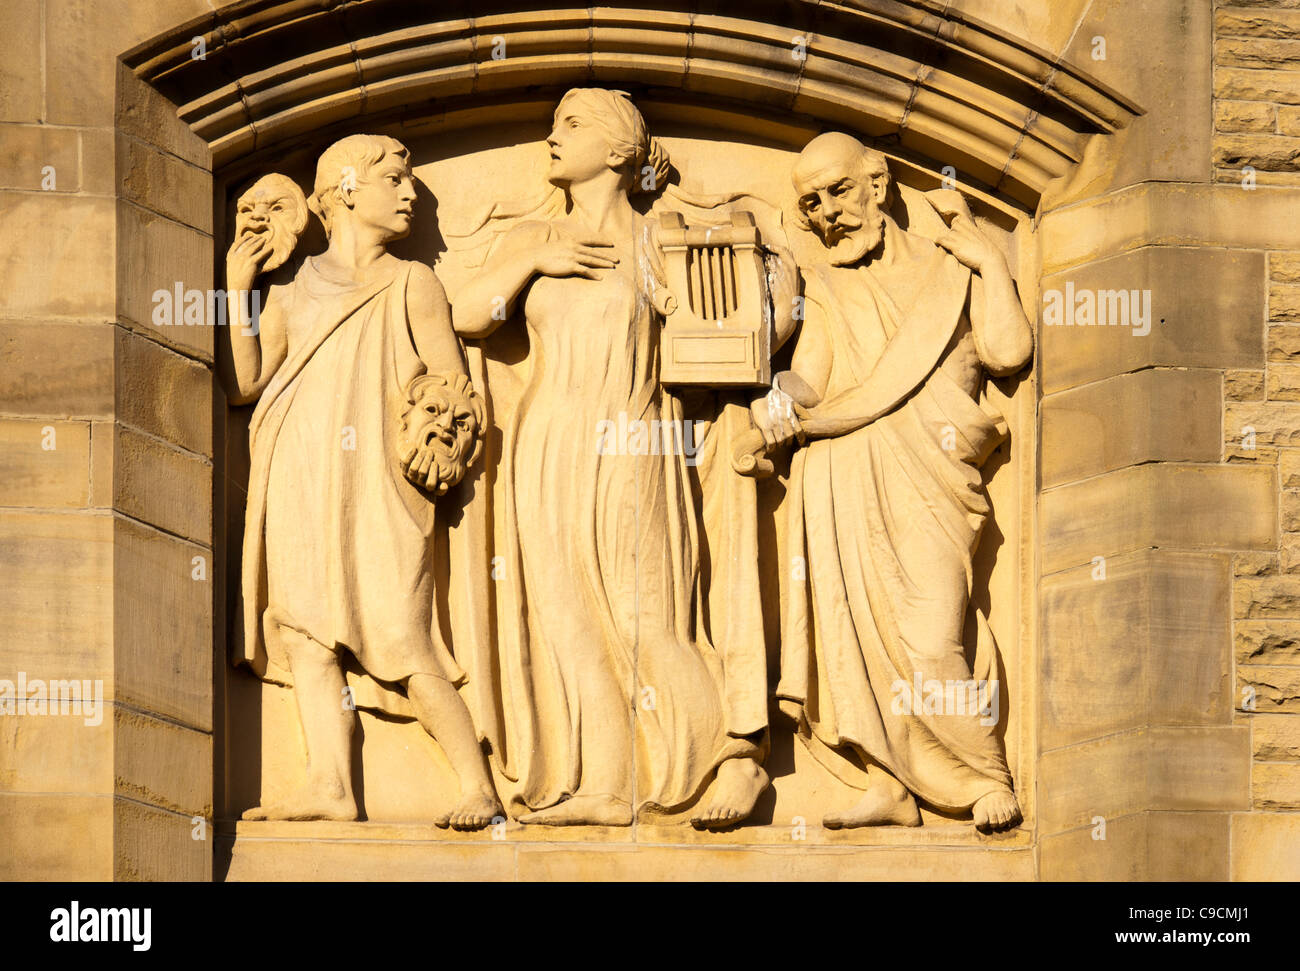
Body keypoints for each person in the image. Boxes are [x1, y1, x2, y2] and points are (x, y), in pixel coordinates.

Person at [452, 89, 767, 826]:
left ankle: (735, 752)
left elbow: (736, 327)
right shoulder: (531, 236)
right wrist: (535, 256)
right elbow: (471, 314)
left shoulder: (666, 237)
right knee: (561, 614)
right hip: (548, 435)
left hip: (635, 435)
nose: (552, 136)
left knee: (644, 610)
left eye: (571, 125)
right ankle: (604, 782)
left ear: (620, 149)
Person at [753, 132, 1032, 831]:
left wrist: (990, 265)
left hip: (932, 476)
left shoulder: (952, 269)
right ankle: (889, 780)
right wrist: (778, 398)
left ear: (878, 184)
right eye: (811, 203)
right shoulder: (829, 288)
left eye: (838, 191)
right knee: (851, 633)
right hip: (843, 471)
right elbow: (810, 380)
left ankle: (981, 773)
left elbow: (1008, 350)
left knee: (933, 634)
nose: (827, 213)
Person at [225, 134, 501, 830]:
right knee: (306, 632)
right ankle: (329, 784)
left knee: (405, 633)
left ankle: (479, 783)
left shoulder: (413, 282)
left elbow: (457, 388)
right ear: (347, 186)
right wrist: (237, 287)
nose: (411, 195)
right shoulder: (293, 287)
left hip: (381, 484)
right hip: (299, 468)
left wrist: (440, 434)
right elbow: (246, 382)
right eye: (395, 181)